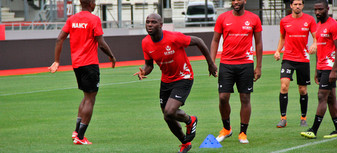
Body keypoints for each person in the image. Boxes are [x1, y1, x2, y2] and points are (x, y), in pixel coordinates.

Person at [134, 13, 217, 153]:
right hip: (166, 80)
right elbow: (149, 65)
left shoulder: (173, 37)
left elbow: (199, 41)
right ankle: (185, 143)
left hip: (184, 77)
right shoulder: (145, 42)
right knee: (167, 116)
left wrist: (210, 63)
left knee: (170, 111)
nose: (149, 24)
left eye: (153, 22)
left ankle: (190, 120)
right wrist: (144, 72)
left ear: (161, 25)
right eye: (147, 22)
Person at [48, 0, 116, 145]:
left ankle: (76, 131)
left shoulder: (72, 19)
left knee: (86, 97)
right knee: (90, 99)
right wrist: (111, 56)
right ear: (91, 3)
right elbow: (101, 42)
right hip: (90, 64)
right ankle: (80, 137)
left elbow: (59, 38)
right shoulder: (94, 19)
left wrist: (57, 61)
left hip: (77, 64)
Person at [210, 0, 262, 144]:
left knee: (245, 98)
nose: (235, 2)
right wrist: (212, 62)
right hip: (226, 64)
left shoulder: (254, 18)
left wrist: (259, 66)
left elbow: (258, 43)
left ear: (244, 1)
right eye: (233, 0)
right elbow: (215, 40)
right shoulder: (222, 18)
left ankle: (243, 133)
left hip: (246, 64)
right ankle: (227, 129)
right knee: (223, 97)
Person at [273, 0, 317, 128]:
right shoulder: (284, 21)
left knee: (302, 90)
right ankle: (283, 118)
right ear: (291, 6)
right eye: (295, 4)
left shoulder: (309, 20)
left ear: (302, 6)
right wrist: (277, 51)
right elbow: (282, 38)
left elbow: (315, 37)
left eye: (300, 4)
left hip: (303, 59)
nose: (297, 6)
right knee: (284, 86)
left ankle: (303, 118)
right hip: (288, 59)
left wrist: (314, 44)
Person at [301, 0, 337, 139]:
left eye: (320, 9)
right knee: (331, 99)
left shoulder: (333, 25)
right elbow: (319, 49)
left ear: (327, 9)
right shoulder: (318, 26)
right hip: (322, 66)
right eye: (315, 10)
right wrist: (316, 70)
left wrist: (334, 70)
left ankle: (313, 130)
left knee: (322, 96)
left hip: (330, 67)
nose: (317, 12)